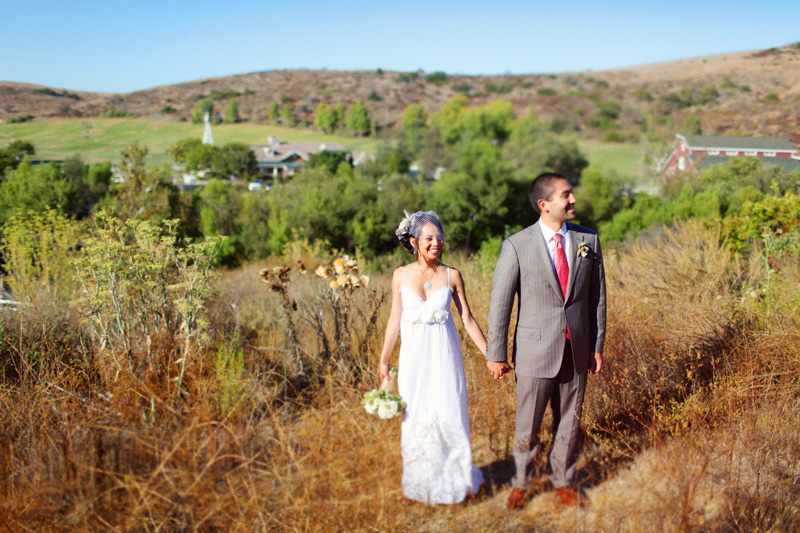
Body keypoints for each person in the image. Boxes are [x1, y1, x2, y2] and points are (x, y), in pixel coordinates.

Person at [485, 172, 606, 509]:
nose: (573, 200)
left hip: (578, 349)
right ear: (544, 204)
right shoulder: (517, 245)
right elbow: (501, 303)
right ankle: (523, 481)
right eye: (566, 195)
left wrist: (597, 346)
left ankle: (564, 480)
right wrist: (496, 353)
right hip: (534, 351)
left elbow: (598, 298)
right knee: (529, 423)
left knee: (570, 419)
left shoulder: (588, 240)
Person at [378, 210, 486, 504]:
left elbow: (468, 320)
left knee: (448, 411)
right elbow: (394, 320)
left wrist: (491, 354)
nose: (436, 243)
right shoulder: (400, 275)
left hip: (445, 357)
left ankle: (455, 480)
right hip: (414, 359)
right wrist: (384, 359)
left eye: (440, 237)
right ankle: (417, 484)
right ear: (414, 241)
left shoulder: (452, 275)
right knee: (416, 418)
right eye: (429, 238)